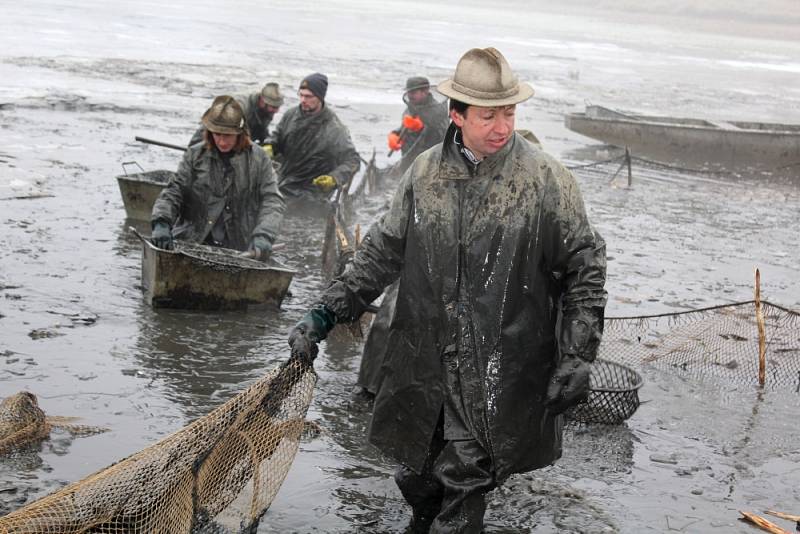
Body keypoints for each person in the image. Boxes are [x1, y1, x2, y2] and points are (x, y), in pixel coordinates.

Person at [288, 47, 607, 533]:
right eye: (488, 116)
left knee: (465, 484)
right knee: (417, 479)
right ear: (457, 115)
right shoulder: (424, 174)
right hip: (424, 363)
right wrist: (324, 315)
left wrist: (578, 354)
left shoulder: (545, 180)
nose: (502, 127)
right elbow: (379, 254)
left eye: (510, 112)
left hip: (499, 369)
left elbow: (585, 265)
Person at [152, 95, 285, 261]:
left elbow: (272, 200)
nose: (222, 142)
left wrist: (264, 234)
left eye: (228, 135)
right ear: (209, 132)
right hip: (194, 239)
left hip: (238, 247)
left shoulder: (259, 159)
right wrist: (161, 222)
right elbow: (175, 189)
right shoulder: (195, 155)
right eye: (217, 134)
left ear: (240, 133)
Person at [270, 72, 361, 199]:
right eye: (300, 95)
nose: (303, 100)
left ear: (320, 97)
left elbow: (353, 161)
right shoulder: (290, 115)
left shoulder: (334, 128)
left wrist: (334, 178)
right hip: (285, 184)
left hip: (313, 194)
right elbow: (277, 137)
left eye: (308, 96)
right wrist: (270, 145)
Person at [387, 76, 449, 175]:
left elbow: (444, 136)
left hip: (430, 164)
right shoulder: (409, 109)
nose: (410, 95)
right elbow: (403, 128)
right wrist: (394, 135)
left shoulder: (438, 110)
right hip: (408, 162)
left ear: (425, 91)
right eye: (408, 92)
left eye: (413, 92)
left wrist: (422, 126)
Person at [189, 82, 284, 146]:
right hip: (216, 133)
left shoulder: (266, 111)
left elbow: (261, 129)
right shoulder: (240, 106)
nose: (276, 111)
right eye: (274, 107)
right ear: (262, 101)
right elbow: (212, 129)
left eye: (278, 107)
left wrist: (268, 144)